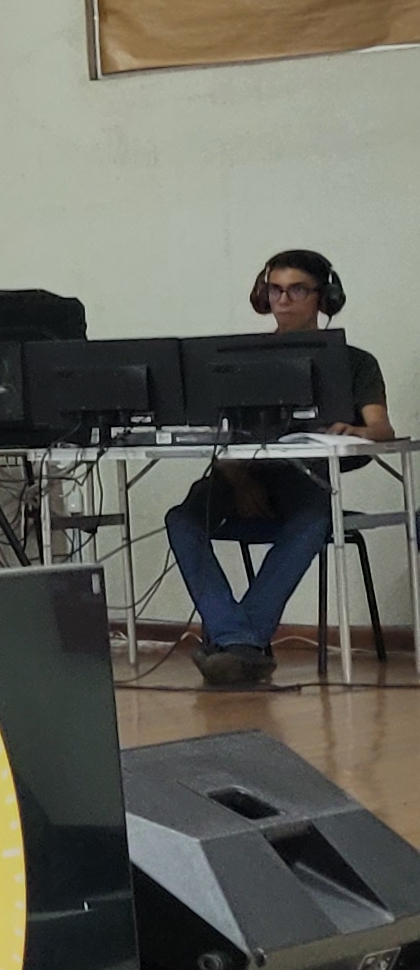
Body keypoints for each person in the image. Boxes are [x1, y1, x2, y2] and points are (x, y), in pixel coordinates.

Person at [168, 249, 397, 688]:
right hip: (239, 475)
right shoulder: (236, 359)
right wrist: (240, 479)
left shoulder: (356, 362)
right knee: (182, 520)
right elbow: (218, 432)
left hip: (305, 476)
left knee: (312, 521)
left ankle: (236, 643)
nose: (283, 299)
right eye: (275, 289)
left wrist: (357, 431)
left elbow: (382, 429)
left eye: (297, 290)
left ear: (323, 297)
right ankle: (243, 643)